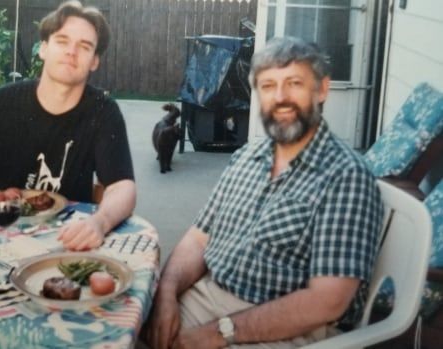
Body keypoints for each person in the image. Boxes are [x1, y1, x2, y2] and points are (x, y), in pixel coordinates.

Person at [142, 36, 384, 349]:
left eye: (294, 83)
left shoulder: (346, 177)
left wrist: (217, 333)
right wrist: (166, 294)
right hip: (207, 297)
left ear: (322, 89)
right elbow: (198, 238)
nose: (280, 97)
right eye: (268, 86)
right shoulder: (246, 156)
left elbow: (327, 302)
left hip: (289, 328)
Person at [0, 1, 135, 251]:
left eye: (84, 46)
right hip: (0, 237)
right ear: (43, 48)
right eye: (62, 41)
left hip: (68, 240)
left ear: (94, 61)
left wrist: (100, 221)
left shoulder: (103, 111)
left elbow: (122, 186)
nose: (71, 52)